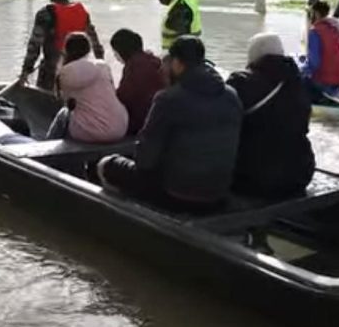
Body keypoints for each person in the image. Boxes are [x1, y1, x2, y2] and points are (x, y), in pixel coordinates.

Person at [98, 36, 242, 213]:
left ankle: (125, 220)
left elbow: (144, 159)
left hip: (176, 192)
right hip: (218, 192)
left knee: (106, 165)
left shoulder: (168, 99)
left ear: (177, 63)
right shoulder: (231, 95)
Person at [227, 33, 315, 199]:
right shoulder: (297, 83)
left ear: (253, 55)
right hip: (300, 174)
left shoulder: (241, 83)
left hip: (254, 177)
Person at [20, 0, 104, 91]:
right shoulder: (81, 11)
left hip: (53, 69)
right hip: (80, 68)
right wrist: (101, 62)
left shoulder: (45, 14)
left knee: (46, 97)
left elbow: (34, 45)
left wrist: (26, 70)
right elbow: (95, 41)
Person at [46, 33, 128, 143]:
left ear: (66, 50)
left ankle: (47, 145)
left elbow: (68, 104)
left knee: (63, 114)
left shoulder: (66, 73)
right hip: (120, 127)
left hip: (92, 132)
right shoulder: (103, 66)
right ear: (88, 49)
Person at [110, 28, 166, 135]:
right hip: (159, 116)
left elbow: (124, 96)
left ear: (122, 51)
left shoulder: (134, 66)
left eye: (115, 52)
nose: (115, 56)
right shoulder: (153, 61)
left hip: (142, 121)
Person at [301, 1, 339, 101]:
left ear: (316, 14)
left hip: (323, 83)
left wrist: (299, 71)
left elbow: (314, 64)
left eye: (311, 14)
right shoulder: (335, 30)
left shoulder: (315, 32)